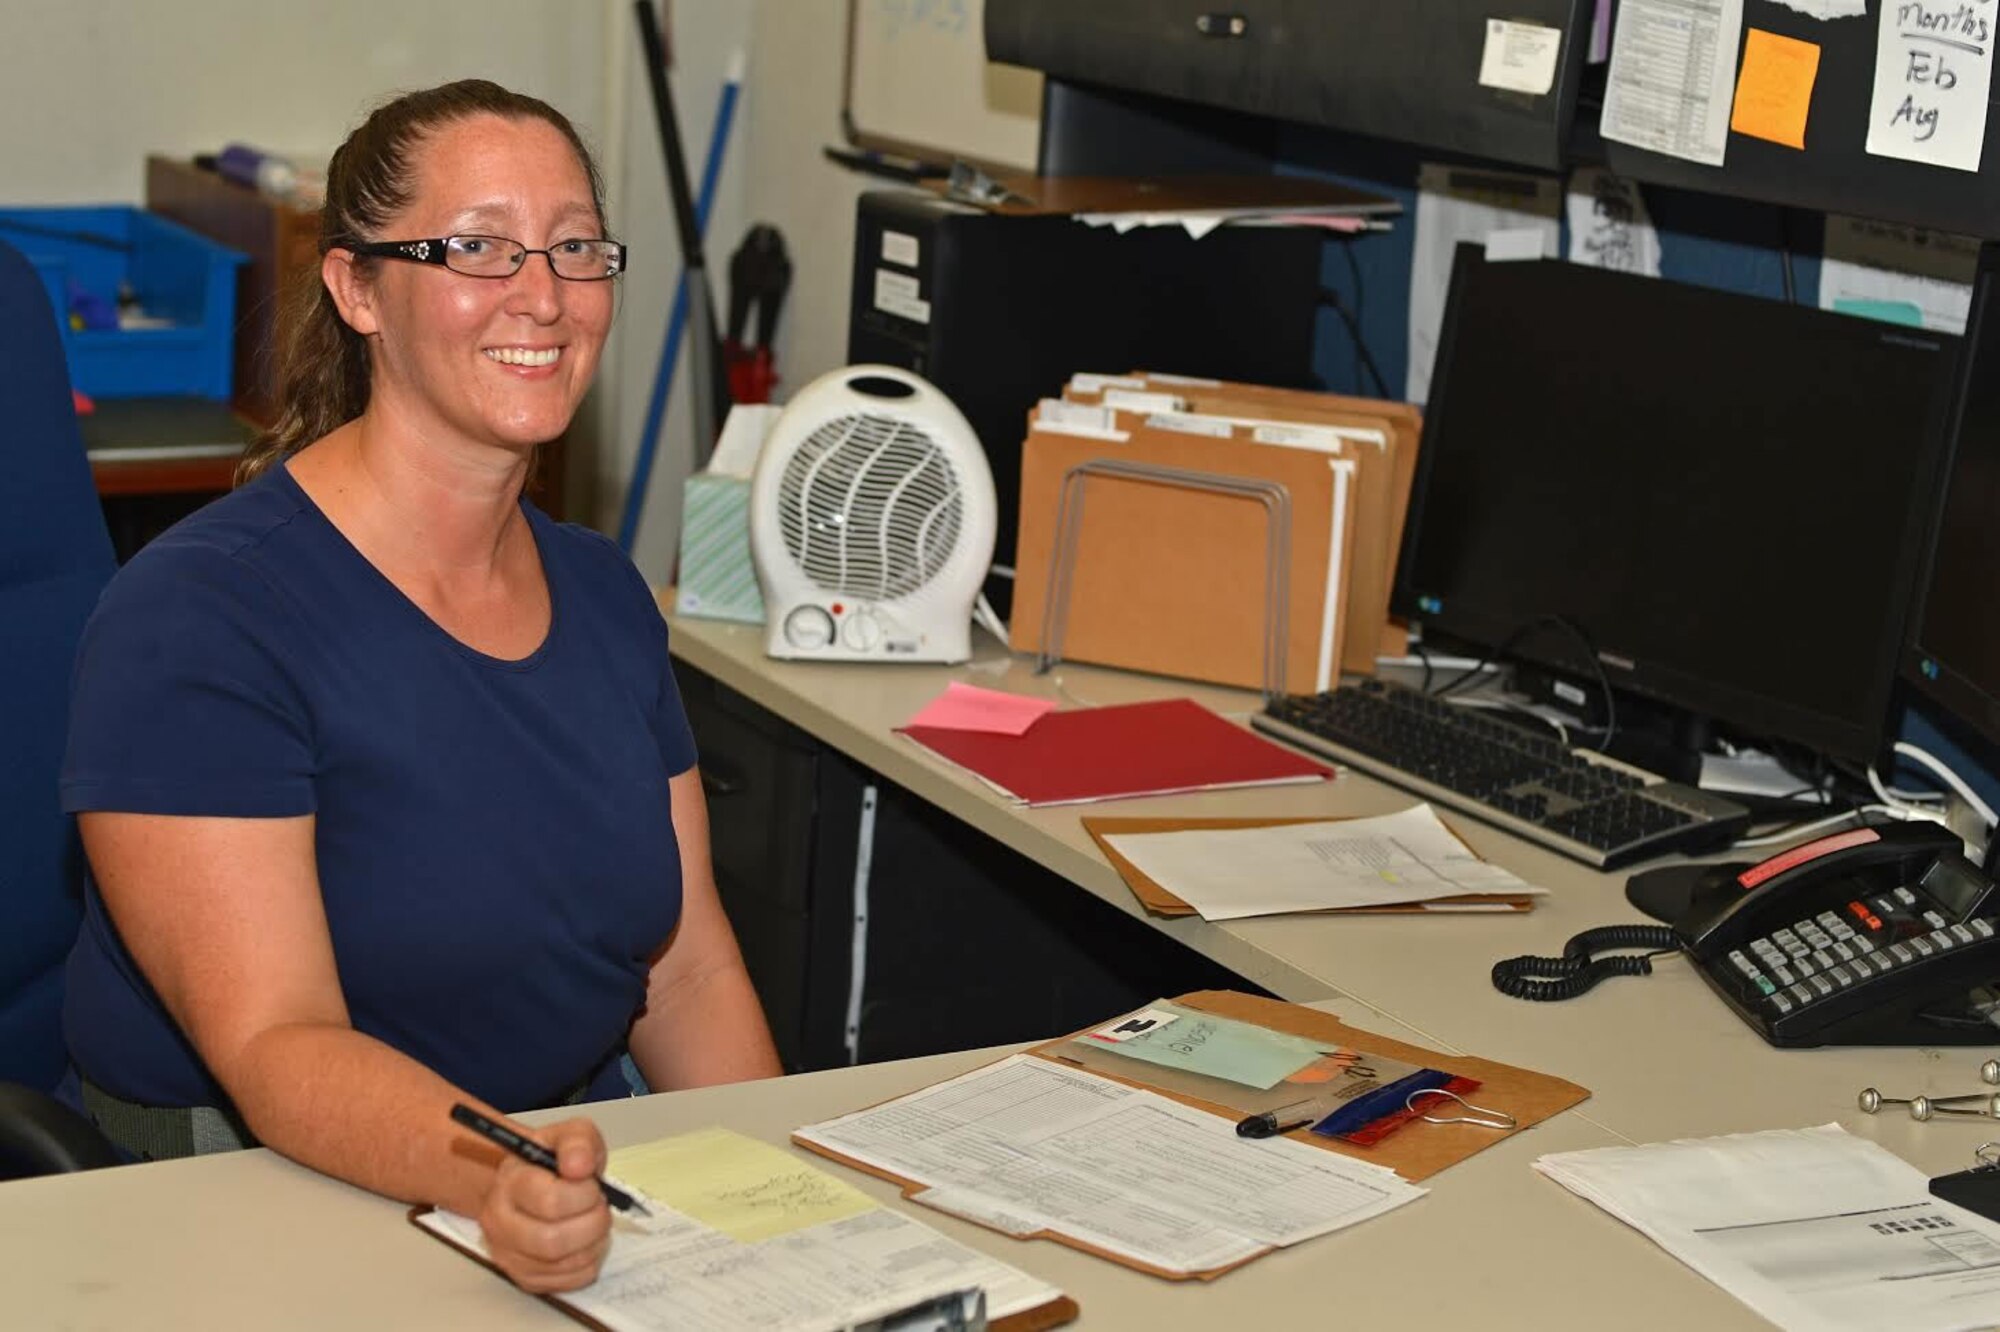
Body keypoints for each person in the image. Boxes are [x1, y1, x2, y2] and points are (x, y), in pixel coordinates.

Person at [57, 79, 781, 1292]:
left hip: (559, 1156)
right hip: (252, 1181)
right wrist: (501, 1175)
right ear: (357, 289)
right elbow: (280, 1045)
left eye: (572, 247)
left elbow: (687, 964)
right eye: (478, 247)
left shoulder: (602, 592)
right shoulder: (202, 618)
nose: (542, 295)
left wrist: (787, 1196)